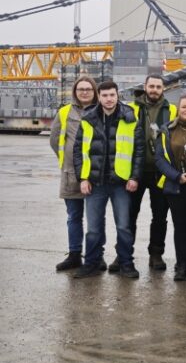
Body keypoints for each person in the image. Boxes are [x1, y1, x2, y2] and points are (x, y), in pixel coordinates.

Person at [73, 80, 145, 279]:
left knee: (123, 226)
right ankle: (92, 263)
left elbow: (139, 151)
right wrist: (83, 178)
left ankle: (126, 263)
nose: (109, 99)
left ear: (117, 95)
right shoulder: (88, 119)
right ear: (99, 96)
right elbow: (78, 151)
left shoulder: (130, 117)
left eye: (112, 95)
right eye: (104, 95)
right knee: (93, 229)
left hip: (121, 183)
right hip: (95, 183)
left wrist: (134, 177)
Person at [125, 74, 177, 273]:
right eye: (151, 86)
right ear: (145, 87)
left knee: (160, 217)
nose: (154, 90)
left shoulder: (172, 110)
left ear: (163, 89)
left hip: (161, 173)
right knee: (129, 216)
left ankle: (156, 254)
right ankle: (124, 254)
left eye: (158, 86)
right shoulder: (131, 108)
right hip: (135, 171)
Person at [49, 75, 99, 272]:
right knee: (74, 217)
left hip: (96, 173)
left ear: (94, 91)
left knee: (96, 219)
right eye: (81, 89)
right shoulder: (64, 112)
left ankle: (95, 256)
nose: (84, 92)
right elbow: (54, 139)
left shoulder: (101, 110)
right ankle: (74, 255)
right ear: (75, 92)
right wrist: (66, 160)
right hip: (71, 174)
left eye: (88, 89)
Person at [155, 95, 186, 281]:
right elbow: (160, 158)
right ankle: (181, 265)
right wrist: (177, 176)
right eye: (184, 106)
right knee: (180, 226)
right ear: (178, 108)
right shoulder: (166, 130)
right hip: (176, 185)